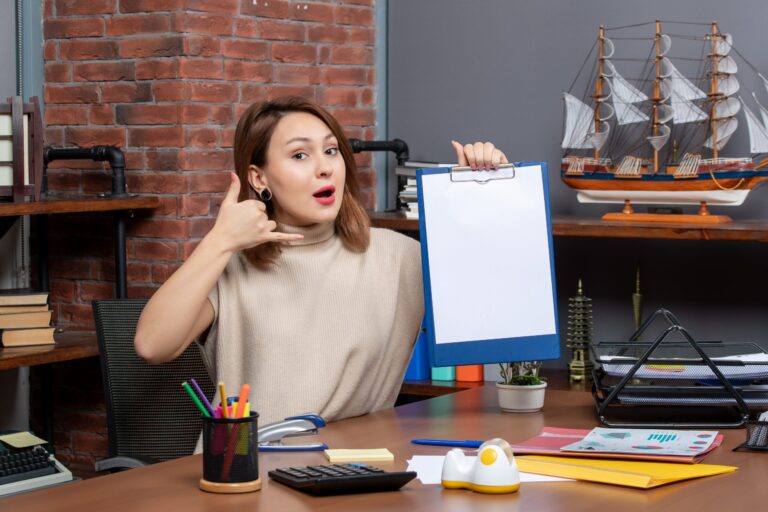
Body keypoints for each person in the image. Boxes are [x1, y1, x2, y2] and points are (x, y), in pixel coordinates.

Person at [134, 96, 507, 427]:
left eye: (331, 151)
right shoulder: (232, 265)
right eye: (300, 155)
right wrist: (220, 242)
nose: (325, 167)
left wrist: (484, 195)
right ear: (258, 178)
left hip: (353, 472)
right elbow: (152, 345)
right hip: (245, 470)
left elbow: (501, 315)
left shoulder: (399, 258)